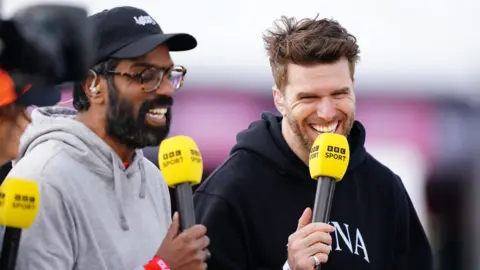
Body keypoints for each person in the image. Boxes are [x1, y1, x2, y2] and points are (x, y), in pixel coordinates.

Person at [193, 15, 433, 270]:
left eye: (339, 93)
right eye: (309, 97)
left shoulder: (385, 189)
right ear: (279, 99)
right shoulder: (229, 192)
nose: (327, 113)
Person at [4, 6, 209, 270]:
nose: (167, 90)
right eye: (146, 76)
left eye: (169, 75)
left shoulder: (154, 178)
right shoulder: (42, 179)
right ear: (93, 85)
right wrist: (162, 267)